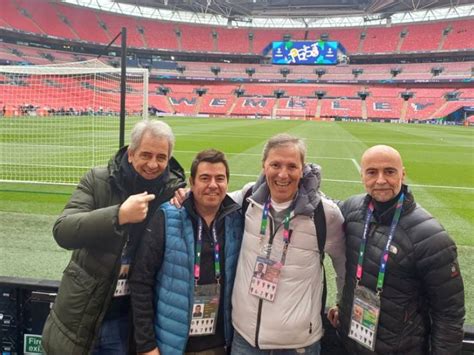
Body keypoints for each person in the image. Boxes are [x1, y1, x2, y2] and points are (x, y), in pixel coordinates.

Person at [41, 120, 185, 354]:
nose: (152, 164)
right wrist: (118, 215)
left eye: (161, 157)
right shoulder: (98, 180)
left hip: (127, 321)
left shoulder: (171, 194)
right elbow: (63, 230)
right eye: (145, 155)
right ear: (130, 153)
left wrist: (184, 197)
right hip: (82, 311)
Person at [328, 145, 465, 354]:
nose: (381, 180)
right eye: (372, 172)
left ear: (403, 173)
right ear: (362, 175)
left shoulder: (431, 237)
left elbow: (449, 314)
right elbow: (320, 207)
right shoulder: (352, 210)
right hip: (349, 341)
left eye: (389, 171)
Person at [230, 133, 346, 354]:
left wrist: (342, 302)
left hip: (297, 344)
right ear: (264, 166)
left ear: (302, 169)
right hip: (245, 339)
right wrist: (183, 194)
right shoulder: (247, 198)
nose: (283, 174)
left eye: (292, 166)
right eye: (275, 164)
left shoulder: (325, 213)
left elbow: (343, 264)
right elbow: (210, 199)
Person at [129, 149, 243, 355]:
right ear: (192, 182)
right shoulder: (168, 217)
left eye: (220, 178)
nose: (213, 185)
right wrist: (146, 345)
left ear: (227, 182)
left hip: (223, 345)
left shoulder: (236, 220)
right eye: (205, 178)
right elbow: (140, 281)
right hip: (173, 346)